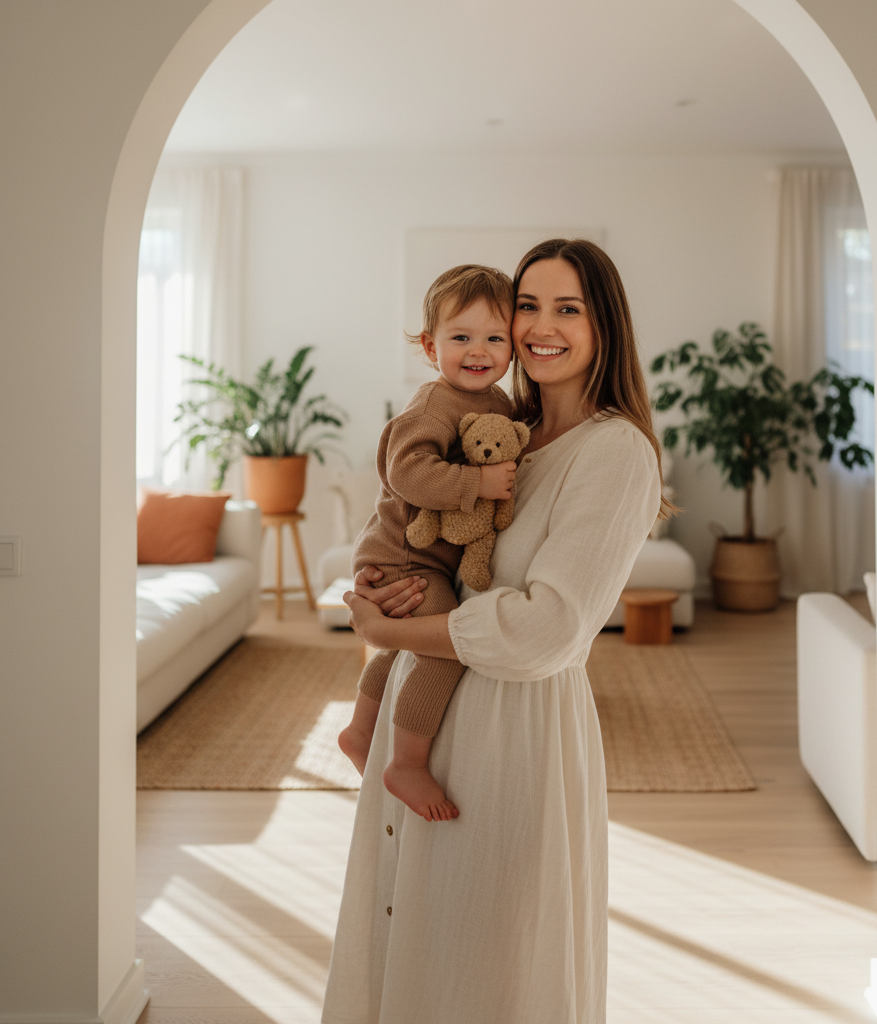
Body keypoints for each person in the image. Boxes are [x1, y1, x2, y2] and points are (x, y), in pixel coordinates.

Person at [321, 239, 669, 1024]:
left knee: (485, 964)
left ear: (604, 326)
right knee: (409, 944)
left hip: (510, 736)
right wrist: (384, 590)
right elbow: (411, 508)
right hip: (428, 712)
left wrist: (394, 630)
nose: (541, 326)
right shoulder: (507, 432)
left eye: (568, 308)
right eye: (529, 305)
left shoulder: (613, 451)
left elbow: (547, 630)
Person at [337, 264, 519, 822]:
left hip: (424, 556)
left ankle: (360, 731)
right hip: (403, 555)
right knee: (443, 651)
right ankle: (406, 764)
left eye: (495, 338)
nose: (478, 351)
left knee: (398, 649)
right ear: (428, 346)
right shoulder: (433, 406)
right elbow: (406, 472)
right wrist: (477, 483)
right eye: (460, 337)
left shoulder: (500, 406)